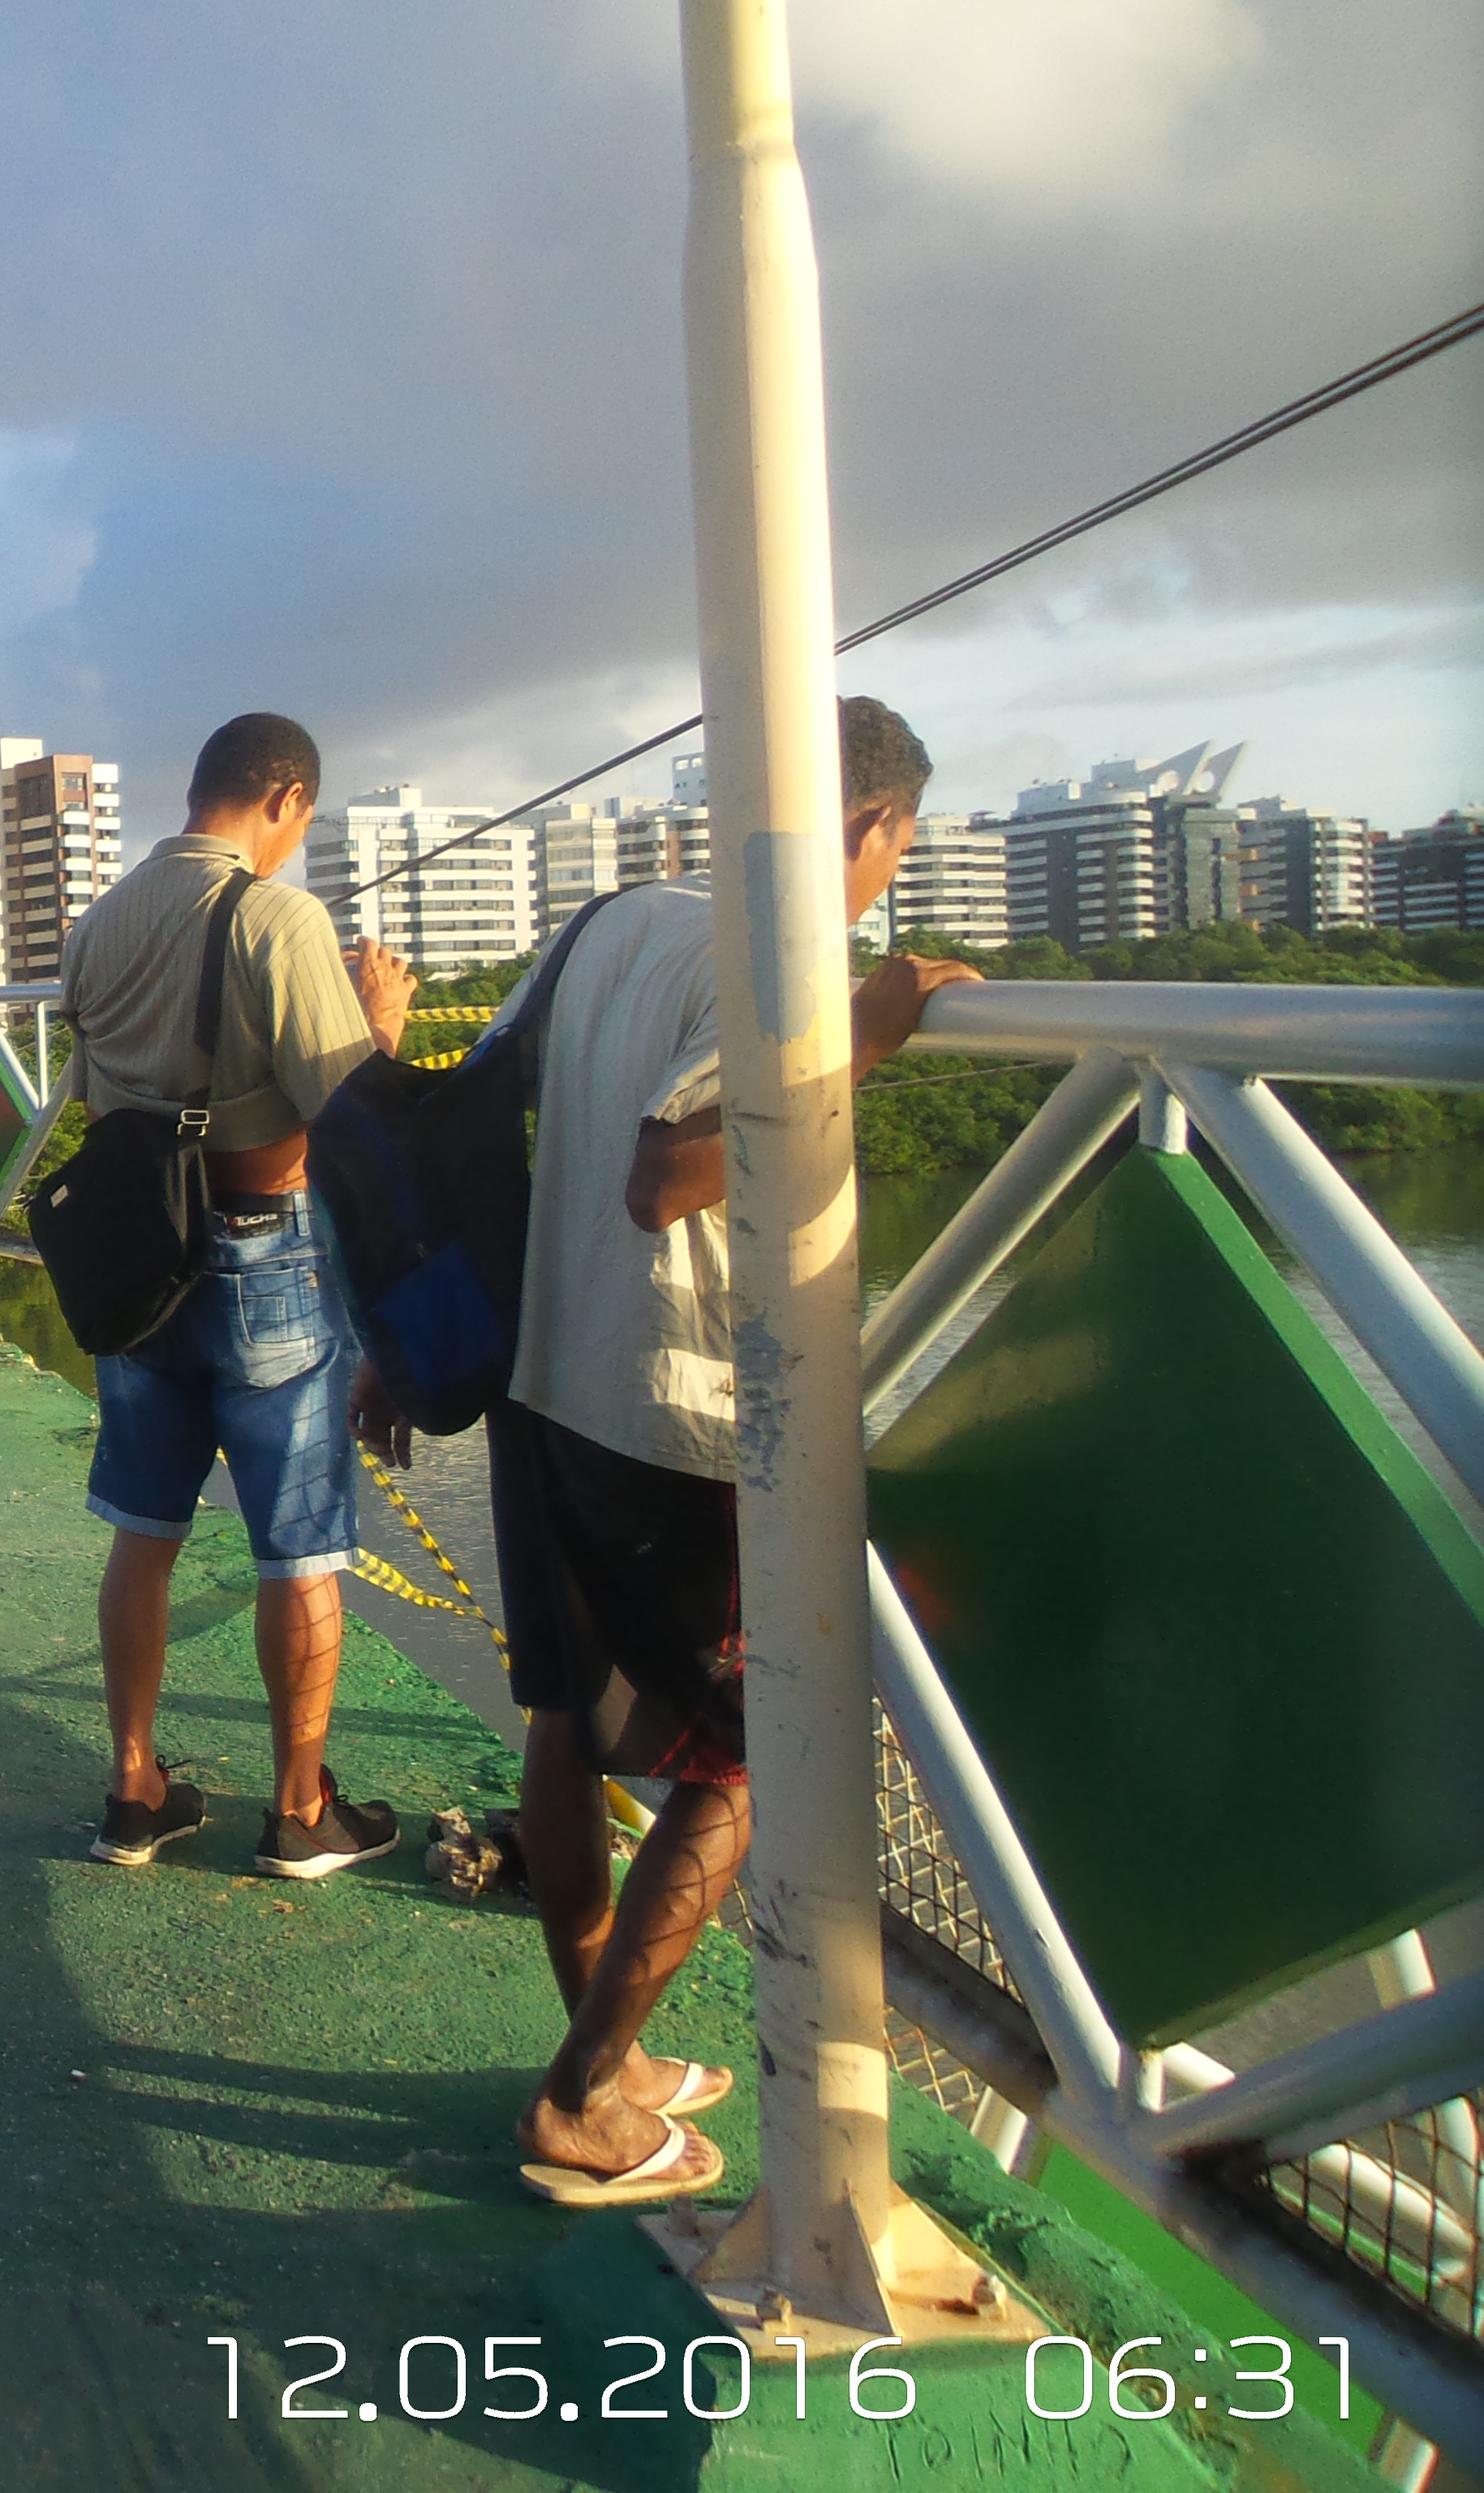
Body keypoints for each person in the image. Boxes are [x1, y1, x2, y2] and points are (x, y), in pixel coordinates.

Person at [425, 695, 978, 2205]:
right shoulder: (779, 955)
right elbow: (666, 1175)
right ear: (864, 825)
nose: (884, 885)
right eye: (895, 853)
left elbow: (480, 1104)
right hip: (674, 1427)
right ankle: (580, 2094)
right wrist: (854, 1035)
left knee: (559, 1717)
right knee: (748, 1768)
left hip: (547, 1379)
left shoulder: (607, 920)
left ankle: (607, 2047)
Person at [58, 713, 419, 1876]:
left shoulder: (96, 925)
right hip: (265, 1258)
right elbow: (352, 1119)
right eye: (302, 821)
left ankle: (133, 1791)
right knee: (299, 1550)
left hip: (135, 1267)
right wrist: (384, 1025)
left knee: (144, 1534)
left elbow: (97, 1091)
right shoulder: (277, 914)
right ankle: (300, 1810)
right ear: (288, 799)